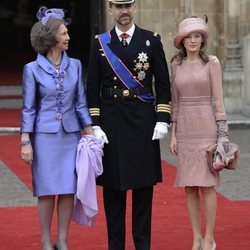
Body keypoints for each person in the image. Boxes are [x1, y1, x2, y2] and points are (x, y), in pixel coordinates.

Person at [86, 0, 171, 249]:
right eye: (118, 6)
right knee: (113, 193)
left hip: (143, 124)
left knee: (143, 191)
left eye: (128, 6)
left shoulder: (150, 40)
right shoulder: (99, 43)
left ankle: (142, 246)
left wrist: (163, 119)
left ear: (134, 8)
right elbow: (92, 87)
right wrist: (95, 123)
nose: (124, 11)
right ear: (110, 10)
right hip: (111, 125)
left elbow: (163, 84)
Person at [20, 6, 92, 250]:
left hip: (70, 135)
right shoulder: (31, 69)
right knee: (47, 190)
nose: (68, 37)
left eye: (67, 33)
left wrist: (91, 132)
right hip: (44, 137)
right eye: (63, 33)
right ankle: (44, 240)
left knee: (68, 189)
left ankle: (62, 239)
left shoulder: (76, 65)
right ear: (51, 38)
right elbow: (29, 108)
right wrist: (25, 140)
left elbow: (81, 102)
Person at [170, 16, 230, 250]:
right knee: (190, 186)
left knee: (206, 185)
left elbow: (219, 100)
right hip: (185, 130)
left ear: (202, 40)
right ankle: (195, 238)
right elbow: (175, 102)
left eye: (197, 36)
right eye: (189, 36)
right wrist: (174, 134)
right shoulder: (175, 64)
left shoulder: (212, 62)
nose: (193, 40)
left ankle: (209, 238)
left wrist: (222, 134)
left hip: (206, 128)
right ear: (182, 40)